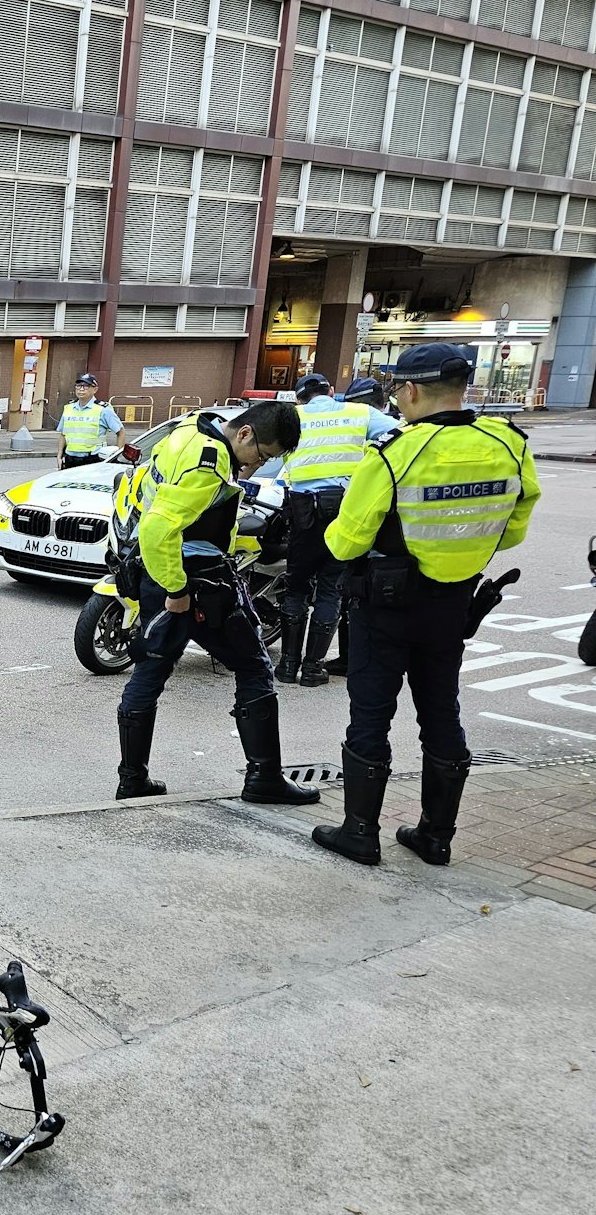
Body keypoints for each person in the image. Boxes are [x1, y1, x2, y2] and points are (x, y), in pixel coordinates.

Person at [311, 344, 540, 866]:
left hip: (386, 607)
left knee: (371, 715)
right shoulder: (508, 445)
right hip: (453, 604)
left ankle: (360, 833)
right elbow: (511, 532)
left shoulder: (395, 452)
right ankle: (436, 837)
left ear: (410, 390)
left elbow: (344, 545)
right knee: (442, 713)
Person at [114, 401, 317, 806]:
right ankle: (264, 778)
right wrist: (177, 590)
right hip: (195, 579)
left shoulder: (191, 428)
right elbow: (160, 526)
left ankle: (132, 778)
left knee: (150, 672)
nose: (257, 465)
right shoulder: (208, 467)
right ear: (244, 434)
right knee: (255, 666)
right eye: (262, 455)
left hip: (157, 571)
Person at [276, 373, 398, 687]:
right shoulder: (360, 413)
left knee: (296, 588)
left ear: (299, 398)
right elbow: (400, 436)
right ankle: (312, 668)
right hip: (344, 509)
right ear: (332, 391)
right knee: (330, 588)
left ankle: (287, 667)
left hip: (303, 511)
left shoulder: (292, 416)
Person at [56, 374, 125, 470]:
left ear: (95, 389)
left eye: (86, 386)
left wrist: (117, 456)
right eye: (79, 386)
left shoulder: (103, 409)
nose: (81, 389)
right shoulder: (68, 408)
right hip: (70, 458)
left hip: (93, 458)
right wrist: (59, 455)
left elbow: (120, 431)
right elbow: (63, 434)